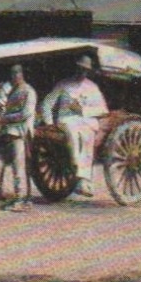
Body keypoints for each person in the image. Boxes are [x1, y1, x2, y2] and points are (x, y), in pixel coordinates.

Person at [41, 55, 109, 198]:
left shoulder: (92, 87)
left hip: (85, 120)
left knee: (88, 136)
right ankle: (78, 171)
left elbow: (103, 110)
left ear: (88, 72)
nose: (81, 72)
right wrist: (49, 123)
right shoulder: (64, 84)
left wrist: (83, 111)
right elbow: (47, 103)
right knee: (72, 132)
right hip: (66, 119)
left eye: (85, 70)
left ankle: (84, 180)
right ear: (75, 67)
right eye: (79, 68)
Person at [0, 64, 38, 211]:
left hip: (21, 132)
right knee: (4, 164)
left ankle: (21, 198)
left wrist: (4, 118)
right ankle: (8, 195)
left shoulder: (29, 91)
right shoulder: (12, 91)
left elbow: (25, 114)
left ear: (22, 74)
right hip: (9, 131)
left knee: (19, 166)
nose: (14, 76)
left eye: (17, 73)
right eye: (12, 74)